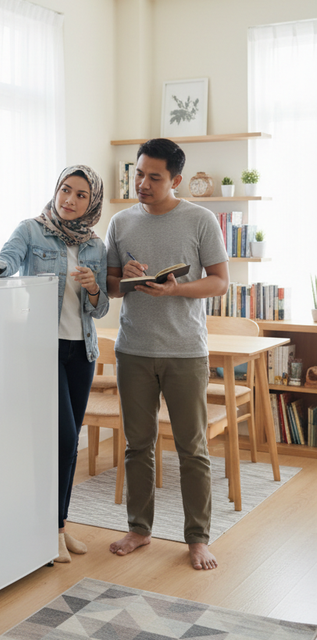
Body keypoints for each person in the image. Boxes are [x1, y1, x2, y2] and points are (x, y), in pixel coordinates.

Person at [104, 138, 229, 570]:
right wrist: (129, 279)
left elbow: (219, 282)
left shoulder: (200, 220)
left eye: (153, 177)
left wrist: (178, 289)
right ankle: (139, 529)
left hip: (185, 352)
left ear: (175, 180)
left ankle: (197, 538)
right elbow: (111, 287)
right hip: (133, 349)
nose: (142, 183)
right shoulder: (120, 223)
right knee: (139, 446)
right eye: (138, 174)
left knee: (192, 448)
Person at [0, 165, 109, 563]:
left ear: (92, 202)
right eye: (65, 190)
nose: (69, 200)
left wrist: (93, 289)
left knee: (69, 444)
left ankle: (59, 527)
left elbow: (100, 309)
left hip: (81, 353)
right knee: (63, 439)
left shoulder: (96, 246)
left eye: (80, 195)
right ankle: (46, 529)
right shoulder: (33, 230)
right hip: (42, 350)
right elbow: (10, 256)